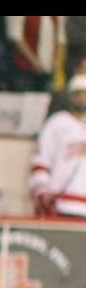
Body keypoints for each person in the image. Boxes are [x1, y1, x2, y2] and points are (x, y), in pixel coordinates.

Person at [30, 74, 86, 219]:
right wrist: (41, 188)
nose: (82, 98)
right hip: (61, 204)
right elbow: (42, 159)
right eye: (77, 93)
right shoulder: (57, 123)